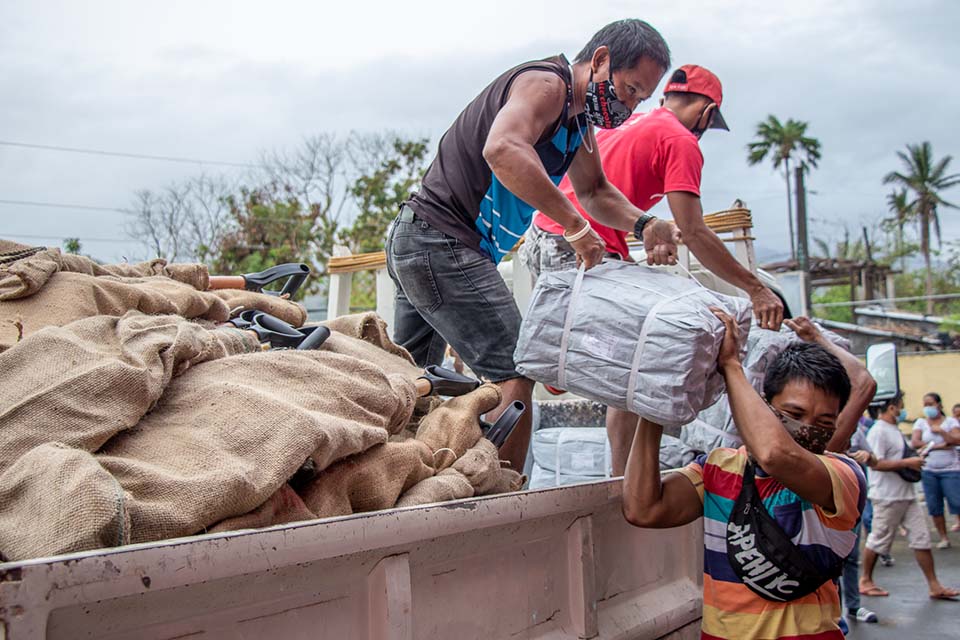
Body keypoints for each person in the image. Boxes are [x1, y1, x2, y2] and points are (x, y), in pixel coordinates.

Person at [386, 19, 681, 471]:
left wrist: (646, 225)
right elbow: (502, 149)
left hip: (422, 240)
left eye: (641, 98)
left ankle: (395, 484)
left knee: (415, 384)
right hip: (440, 240)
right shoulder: (547, 85)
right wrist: (574, 227)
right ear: (600, 61)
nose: (630, 106)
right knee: (515, 372)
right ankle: (506, 502)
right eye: (629, 89)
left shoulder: (578, 122)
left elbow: (595, 191)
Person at [518, 64, 784, 474]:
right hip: (581, 244)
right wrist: (756, 289)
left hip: (548, 234)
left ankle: (620, 476)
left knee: (625, 377)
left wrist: (651, 238)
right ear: (707, 113)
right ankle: (622, 479)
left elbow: (616, 201)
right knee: (635, 369)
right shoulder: (681, 141)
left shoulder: (627, 125)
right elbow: (695, 231)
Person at [622, 313, 871, 640]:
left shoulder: (843, 476)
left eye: (824, 422)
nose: (808, 429)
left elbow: (774, 454)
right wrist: (655, 405)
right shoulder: (718, 468)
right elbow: (644, 508)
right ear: (765, 406)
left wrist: (731, 366)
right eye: (794, 414)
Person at [858, 393, 959, 600]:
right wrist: (907, 463)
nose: (903, 410)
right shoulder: (878, 431)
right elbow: (875, 462)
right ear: (891, 408)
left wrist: (914, 459)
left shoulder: (893, 429)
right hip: (887, 495)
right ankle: (866, 580)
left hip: (907, 494)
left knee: (921, 539)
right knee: (878, 540)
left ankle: (934, 585)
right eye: (901, 406)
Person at [910, 392, 960, 548]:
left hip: (951, 470)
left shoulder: (950, 422)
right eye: (925, 404)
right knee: (934, 505)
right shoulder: (921, 423)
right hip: (929, 470)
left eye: (930, 404)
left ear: (939, 405)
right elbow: (915, 442)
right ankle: (943, 537)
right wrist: (941, 446)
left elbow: (956, 439)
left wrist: (942, 432)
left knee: (957, 502)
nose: (927, 407)